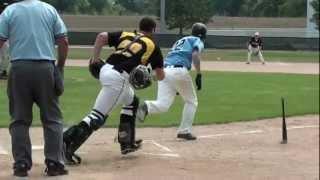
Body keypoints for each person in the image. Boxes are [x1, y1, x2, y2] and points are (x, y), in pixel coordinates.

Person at [63, 17, 165, 165]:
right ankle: (66, 144)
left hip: (106, 69)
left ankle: (126, 142)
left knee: (132, 101)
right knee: (97, 116)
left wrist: (95, 59)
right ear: (153, 30)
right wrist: (150, 77)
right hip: (119, 78)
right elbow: (161, 75)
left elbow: (101, 37)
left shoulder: (127, 34)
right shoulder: (153, 47)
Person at [0, 0, 69, 177]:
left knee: (19, 119)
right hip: (45, 67)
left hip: (19, 68)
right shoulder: (49, 9)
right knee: (52, 118)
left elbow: (0, 40)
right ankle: (54, 163)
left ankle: (21, 164)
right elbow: (63, 41)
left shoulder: (10, 11)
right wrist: (59, 67)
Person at [135, 23, 207, 141]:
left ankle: (145, 106)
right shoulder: (197, 40)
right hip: (179, 71)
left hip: (164, 71)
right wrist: (199, 74)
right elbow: (195, 55)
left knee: (163, 105)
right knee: (192, 101)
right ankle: (184, 131)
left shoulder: (181, 40)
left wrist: (176, 86)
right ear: (203, 34)